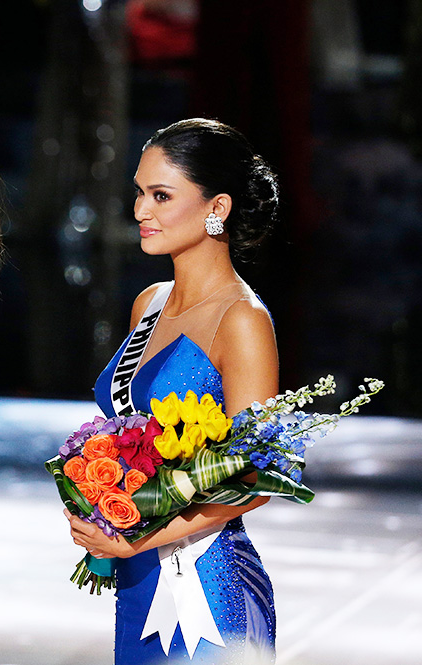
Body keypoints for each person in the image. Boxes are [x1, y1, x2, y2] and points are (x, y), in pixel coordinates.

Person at [66, 118, 280, 663]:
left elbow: (257, 476)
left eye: (161, 195)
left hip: (208, 589)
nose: (141, 211)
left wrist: (137, 536)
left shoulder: (242, 320)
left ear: (218, 208)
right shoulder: (150, 302)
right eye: (139, 193)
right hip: (138, 576)